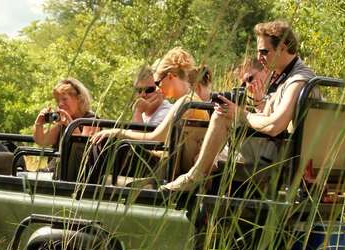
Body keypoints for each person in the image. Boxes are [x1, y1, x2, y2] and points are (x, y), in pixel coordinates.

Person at [161, 20, 317, 192]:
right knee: (212, 148)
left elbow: (274, 126)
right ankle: (204, 199)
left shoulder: (298, 80)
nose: (259, 57)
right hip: (282, 151)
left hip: (283, 158)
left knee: (222, 115)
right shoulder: (288, 77)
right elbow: (272, 119)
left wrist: (240, 114)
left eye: (264, 52)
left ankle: (194, 178)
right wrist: (257, 105)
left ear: (283, 47)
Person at [92, 47, 208, 146]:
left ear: (171, 77)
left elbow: (155, 138)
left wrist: (118, 132)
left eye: (157, 83)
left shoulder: (184, 104)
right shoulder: (193, 101)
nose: (157, 88)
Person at [33, 78, 97, 148]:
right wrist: (39, 123)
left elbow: (82, 149)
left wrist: (69, 124)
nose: (60, 104)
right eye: (57, 100)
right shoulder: (62, 121)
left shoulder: (91, 120)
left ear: (79, 99)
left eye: (64, 99)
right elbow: (42, 141)